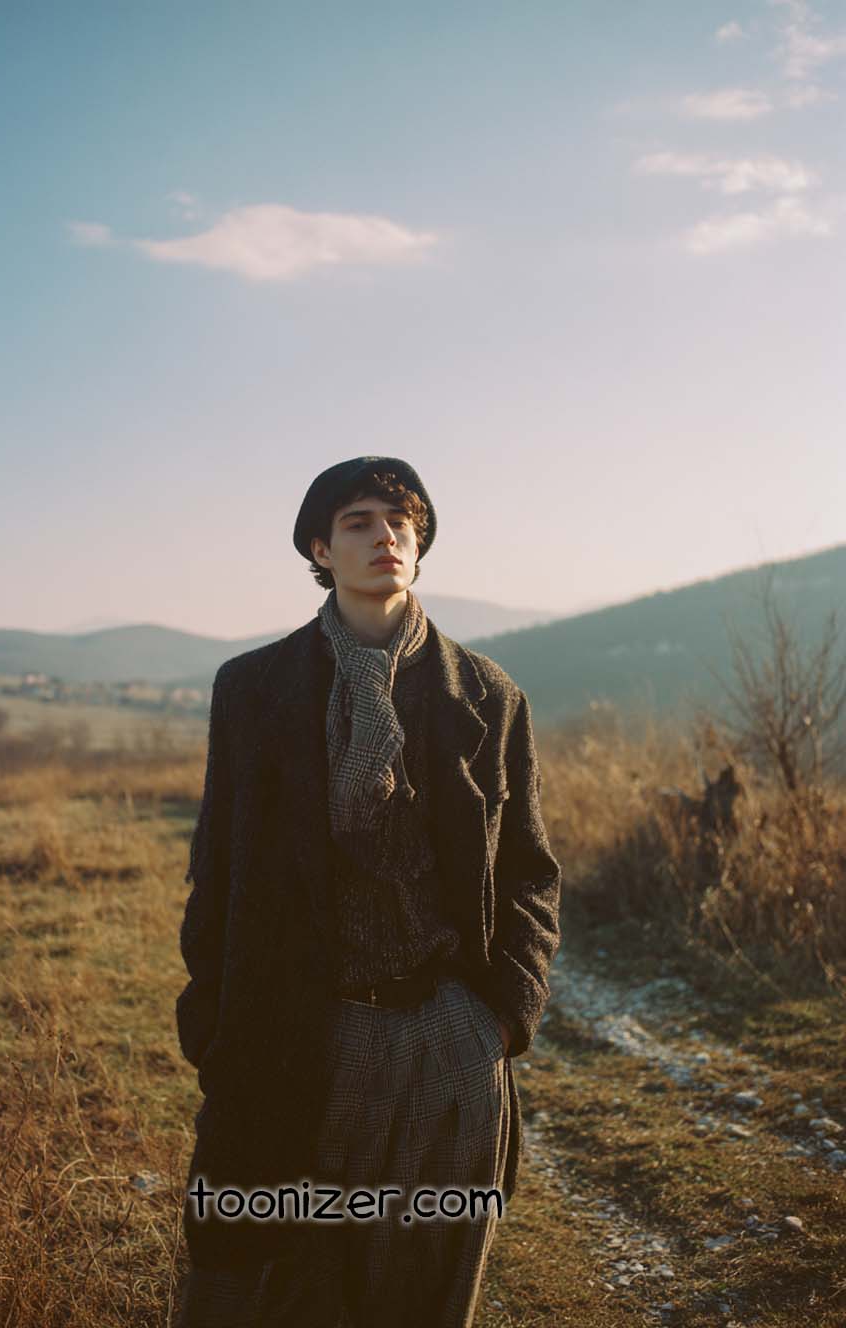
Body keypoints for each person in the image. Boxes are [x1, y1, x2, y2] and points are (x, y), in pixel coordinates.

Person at [175, 457, 561, 1327]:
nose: (385, 535)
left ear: (420, 545)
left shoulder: (489, 698)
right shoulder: (253, 689)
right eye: (359, 520)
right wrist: (211, 1018)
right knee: (258, 1279)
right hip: (293, 1030)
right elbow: (219, 869)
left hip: (445, 1041)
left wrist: (501, 1017)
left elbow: (530, 873)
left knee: (420, 1286)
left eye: (401, 520)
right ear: (320, 545)